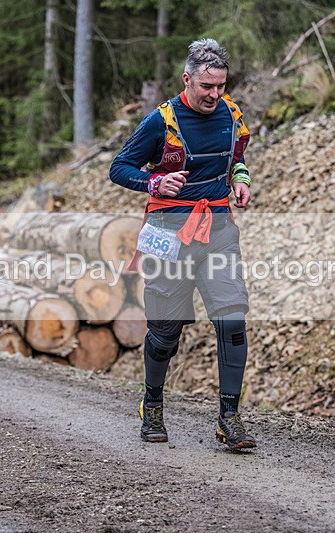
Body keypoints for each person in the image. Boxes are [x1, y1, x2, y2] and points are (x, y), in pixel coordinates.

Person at [109, 38, 256, 450]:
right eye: (206, 87)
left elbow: (235, 157)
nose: (214, 95)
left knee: (232, 320)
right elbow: (118, 168)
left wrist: (241, 180)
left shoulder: (231, 114)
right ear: (187, 79)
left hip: (218, 229)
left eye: (220, 87)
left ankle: (229, 418)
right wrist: (154, 181)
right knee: (165, 332)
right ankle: (152, 404)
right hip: (167, 231)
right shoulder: (161, 121)